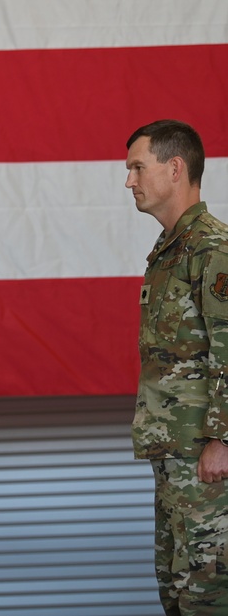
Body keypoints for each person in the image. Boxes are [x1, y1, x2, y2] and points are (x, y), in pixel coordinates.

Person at [124, 119, 228, 615]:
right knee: (178, 591)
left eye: (137, 167)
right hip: (175, 454)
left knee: (208, 594)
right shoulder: (170, 252)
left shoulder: (212, 248)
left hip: (207, 461)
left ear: (175, 167)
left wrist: (222, 439)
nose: (130, 181)